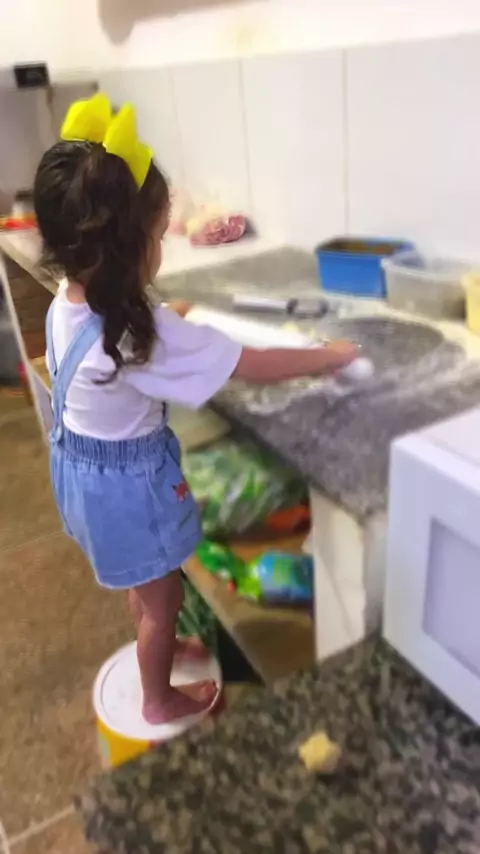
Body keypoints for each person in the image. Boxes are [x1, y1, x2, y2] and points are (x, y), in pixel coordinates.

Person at [34, 94, 358, 725]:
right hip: (130, 490)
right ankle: (157, 696)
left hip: (82, 479)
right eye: (159, 237)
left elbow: (110, 354)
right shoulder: (137, 337)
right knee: (165, 597)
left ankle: (156, 640)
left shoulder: (68, 304)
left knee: (143, 579)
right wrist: (326, 355)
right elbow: (248, 363)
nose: (161, 247)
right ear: (131, 248)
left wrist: (164, 317)